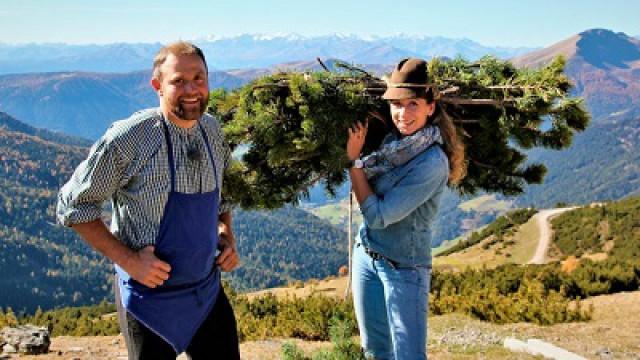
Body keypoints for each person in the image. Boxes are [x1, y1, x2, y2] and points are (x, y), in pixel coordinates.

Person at [57, 41, 240, 359]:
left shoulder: (213, 131)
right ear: (157, 86)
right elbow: (73, 206)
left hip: (205, 293)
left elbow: (223, 198)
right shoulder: (131, 138)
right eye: (178, 81)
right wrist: (129, 261)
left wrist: (226, 234)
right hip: (148, 300)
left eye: (199, 78)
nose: (191, 89)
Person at [346, 58, 466, 359]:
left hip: (404, 269)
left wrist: (354, 163)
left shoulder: (431, 163)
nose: (403, 113)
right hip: (366, 257)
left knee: (408, 356)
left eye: (412, 104)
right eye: (396, 104)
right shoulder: (392, 143)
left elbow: (377, 216)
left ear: (430, 106)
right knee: (374, 351)